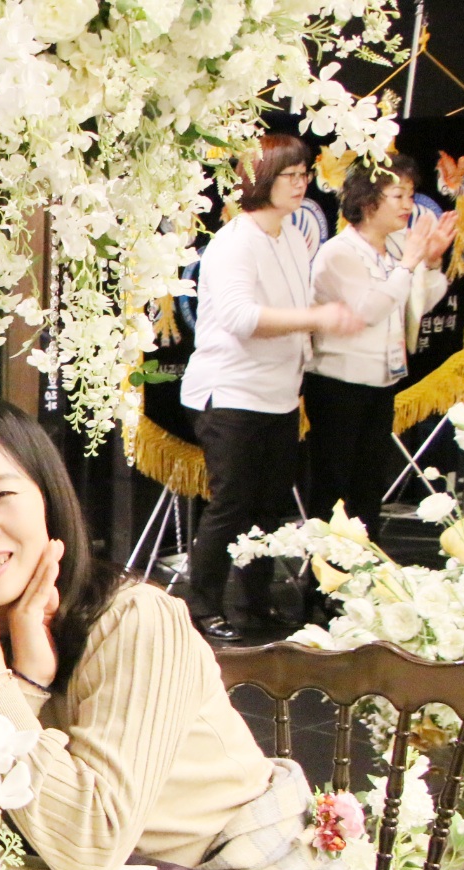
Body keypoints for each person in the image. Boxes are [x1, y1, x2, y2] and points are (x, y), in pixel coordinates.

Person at [0, 399, 360, 870]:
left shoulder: (136, 620)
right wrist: (24, 689)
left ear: (49, 501)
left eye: (2, 494)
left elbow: (90, 847)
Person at [181, 132, 363, 642]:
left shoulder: (291, 236)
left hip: (279, 394)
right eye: (290, 175)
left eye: (304, 175)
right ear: (261, 179)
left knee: (268, 507)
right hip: (231, 393)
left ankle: (254, 603)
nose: (301, 184)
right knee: (231, 505)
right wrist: (315, 318)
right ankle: (200, 607)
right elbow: (241, 318)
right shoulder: (235, 242)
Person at [304, 156, 456, 533]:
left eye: (411, 196)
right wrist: (408, 265)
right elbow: (369, 311)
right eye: (398, 196)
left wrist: (431, 263)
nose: (408, 205)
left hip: (381, 382)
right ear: (368, 201)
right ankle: (322, 568)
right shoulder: (340, 252)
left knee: (369, 485)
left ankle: (366, 562)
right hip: (339, 385)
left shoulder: (395, 247)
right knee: (334, 487)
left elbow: (415, 304)